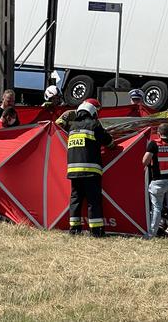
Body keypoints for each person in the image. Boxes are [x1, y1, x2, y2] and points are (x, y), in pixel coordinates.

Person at [67, 100, 115, 237]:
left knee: (75, 200)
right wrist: (112, 144)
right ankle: (96, 231)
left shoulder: (72, 127)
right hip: (90, 171)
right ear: (92, 113)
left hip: (73, 172)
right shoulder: (94, 125)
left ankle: (74, 229)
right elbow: (108, 142)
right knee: (93, 201)